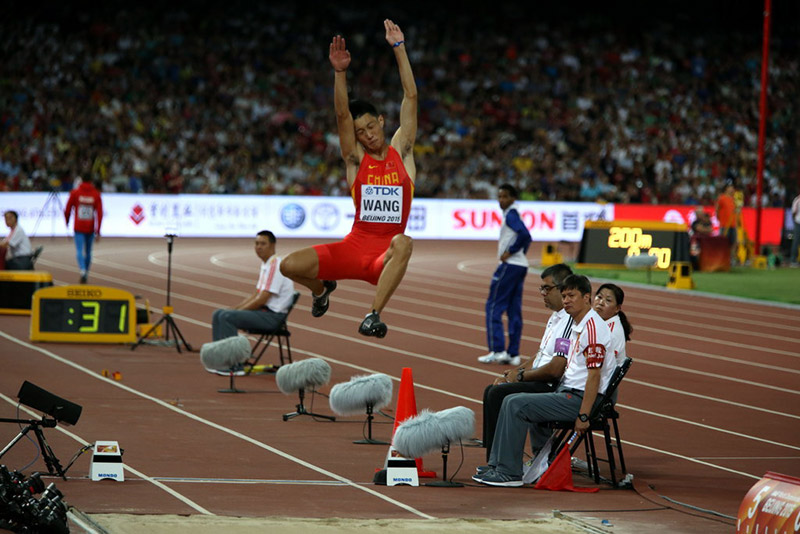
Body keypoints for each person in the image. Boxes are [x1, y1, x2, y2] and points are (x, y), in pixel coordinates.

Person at [279, 20, 417, 339]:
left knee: (405, 243)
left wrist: (399, 48)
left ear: (382, 121)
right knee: (288, 266)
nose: (368, 136)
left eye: (372, 127)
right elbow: (342, 116)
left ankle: (373, 314)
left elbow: (410, 96)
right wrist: (340, 73)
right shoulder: (355, 160)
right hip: (353, 249)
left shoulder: (403, 152)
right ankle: (322, 289)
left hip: (385, 257)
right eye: (361, 133)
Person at [473, 274, 615, 487]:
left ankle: (509, 473)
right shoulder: (577, 325)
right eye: (564, 295)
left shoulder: (592, 328)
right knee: (511, 398)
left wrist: (584, 415)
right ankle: (498, 465)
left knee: (515, 403)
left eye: (572, 295)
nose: (566, 300)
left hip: (580, 398)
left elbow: (594, 376)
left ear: (587, 297)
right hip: (567, 392)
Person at [480, 263, 574, 461]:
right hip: (538, 379)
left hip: (551, 385)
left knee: (498, 394)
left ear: (563, 288)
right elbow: (541, 354)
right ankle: (493, 456)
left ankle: (501, 461)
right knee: (491, 390)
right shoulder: (555, 317)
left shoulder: (568, 321)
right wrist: (514, 373)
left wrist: (520, 376)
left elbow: (556, 369)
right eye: (542, 288)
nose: (542, 293)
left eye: (547, 288)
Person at [477, 184, 533, 365]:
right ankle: (514, 354)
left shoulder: (511, 214)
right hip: (520, 265)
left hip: (509, 266)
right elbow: (527, 236)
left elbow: (525, 234)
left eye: (505, 197)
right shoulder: (513, 213)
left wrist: (512, 251)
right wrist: (521, 253)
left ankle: (497, 350)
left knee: (493, 306)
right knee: (514, 309)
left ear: (513, 198)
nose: (501, 200)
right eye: (499, 197)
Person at [211, 230, 295, 343]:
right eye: (256, 243)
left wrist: (238, 311)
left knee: (227, 316)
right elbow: (256, 294)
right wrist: (236, 309)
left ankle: (231, 358)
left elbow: (262, 299)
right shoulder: (267, 264)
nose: (258, 247)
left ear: (273, 245)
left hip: (273, 317)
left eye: (263, 244)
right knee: (218, 314)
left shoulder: (275, 266)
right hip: (264, 312)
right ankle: (217, 353)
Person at [64, 178, 103, 283]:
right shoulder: (96, 194)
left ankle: (82, 270)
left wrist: (66, 221)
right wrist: (98, 230)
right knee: (89, 252)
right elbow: (99, 213)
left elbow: (67, 209)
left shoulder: (75, 193)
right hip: (90, 227)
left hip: (79, 227)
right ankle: (86, 271)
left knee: (79, 250)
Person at [715, 182, 736, 265]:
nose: (732, 189)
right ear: (726, 188)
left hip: (733, 224)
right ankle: (722, 259)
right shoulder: (722, 198)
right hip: (724, 225)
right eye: (730, 187)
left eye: (732, 187)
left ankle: (731, 259)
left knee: (733, 242)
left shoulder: (733, 199)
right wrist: (719, 219)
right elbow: (717, 209)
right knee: (724, 243)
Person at [791, 192, 800, 267]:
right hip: (798, 222)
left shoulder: (797, 200)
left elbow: (793, 213)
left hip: (797, 221)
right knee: (796, 241)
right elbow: (793, 212)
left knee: (796, 241)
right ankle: (793, 260)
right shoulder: (797, 200)